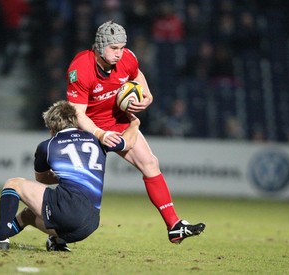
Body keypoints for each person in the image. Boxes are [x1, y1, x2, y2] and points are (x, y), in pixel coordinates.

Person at [66, 20, 205, 244]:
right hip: (88, 129)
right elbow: (78, 114)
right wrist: (101, 135)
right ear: (100, 46)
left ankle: (174, 226)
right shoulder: (80, 67)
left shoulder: (128, 58)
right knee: (78, 191)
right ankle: (57, 236)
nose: (119, 53)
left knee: (150, 163)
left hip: (118, 122)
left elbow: (136, 74)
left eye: (122, 47)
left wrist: (148, 97)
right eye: (114, 48)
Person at [0, 100, 141, 251]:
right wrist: (135, 123)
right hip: (90, 223)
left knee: (14, 184)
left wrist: (62, 176)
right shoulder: (97, 139)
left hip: (68, 211)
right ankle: (54, 242)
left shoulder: (47, 146)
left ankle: (0, 238)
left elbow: (42, 180)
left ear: (52, 127)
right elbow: (128, 143)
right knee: (29, 215)